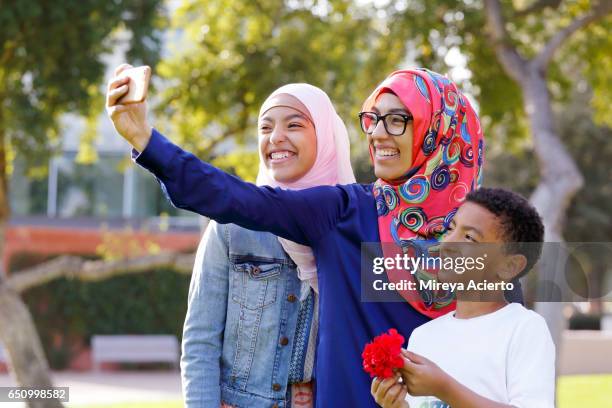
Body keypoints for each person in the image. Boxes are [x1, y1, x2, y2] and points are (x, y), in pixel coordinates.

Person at [106, 65, 521, 407]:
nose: (377, 133)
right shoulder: (343, 211)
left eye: (397, 120)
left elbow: (506, 378)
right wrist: (147, 140)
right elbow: (239, 199)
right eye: (373, 119)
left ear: (439, 132)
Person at [181, 83, 355, 407]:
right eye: (265, 127)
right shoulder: (232, 227)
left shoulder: (353, 229)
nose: (275, 137)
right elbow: (200, 342)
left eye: (294, 124)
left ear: (326, 136)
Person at [371, 188, 554, 408]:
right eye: (451, 229)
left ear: (509, 266)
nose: (447, 243)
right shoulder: (423, 336)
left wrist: (444, 387)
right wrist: (397, 405)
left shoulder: (524, 328)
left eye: (469, 237)